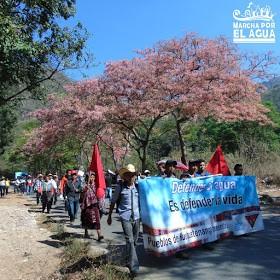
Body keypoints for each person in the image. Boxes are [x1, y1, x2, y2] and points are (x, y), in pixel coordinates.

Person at [107, 164, 140, 278]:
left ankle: (128, 259)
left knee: (134, 242)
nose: (131, 177)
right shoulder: (120, 186)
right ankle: (134, 268)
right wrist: (109, 216)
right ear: (125, 176)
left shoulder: (138, 186)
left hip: (136, 217)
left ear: (135, 176)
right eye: (128, 175)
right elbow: (113, 201)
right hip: (125, 217)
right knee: (130, 241)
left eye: (133, 175)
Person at [80, 173, 104, 241]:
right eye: (91, 177)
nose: (92, 178)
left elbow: (100, 194)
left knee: (97, 219)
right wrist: (85, 190)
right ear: (88, 178)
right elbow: (82, 195)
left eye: (93, 177)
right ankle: (86, 232)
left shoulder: (96, 185)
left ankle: (99, 235)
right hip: (86, 205)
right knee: (86, 219)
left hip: (94, 204)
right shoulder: (85, 185)